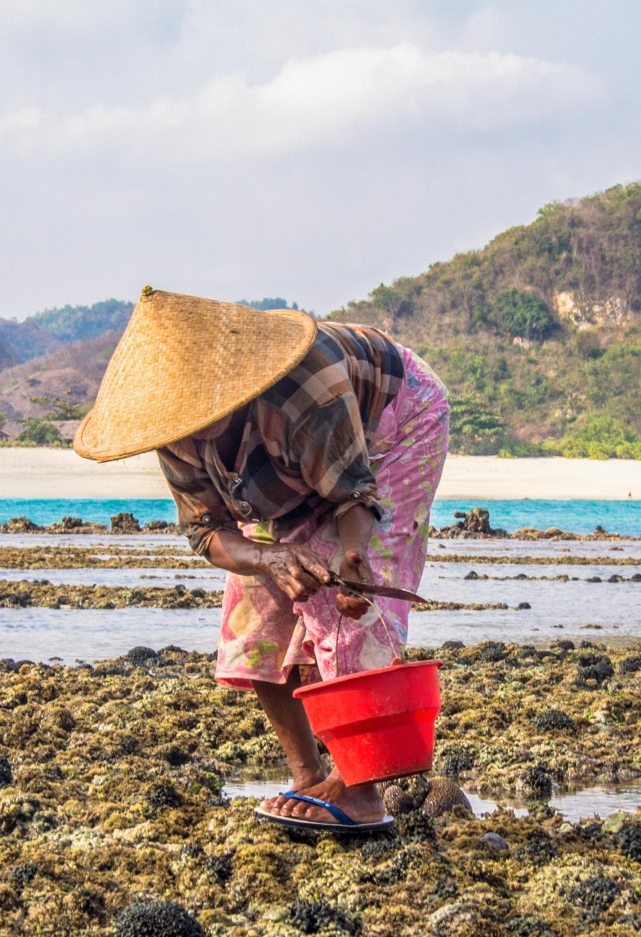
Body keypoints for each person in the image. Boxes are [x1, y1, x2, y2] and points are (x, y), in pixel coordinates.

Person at [76, 288, 449, 832]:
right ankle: (306, 773)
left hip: (394, 425)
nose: (183, 429)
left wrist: (352, 557)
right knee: (256, 612)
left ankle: (361, 789)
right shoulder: (174, 435)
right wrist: (268, 558)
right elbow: (208, 532)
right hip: (289, 473)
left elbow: (352, 496)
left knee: (344, 606)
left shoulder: (305, 388)